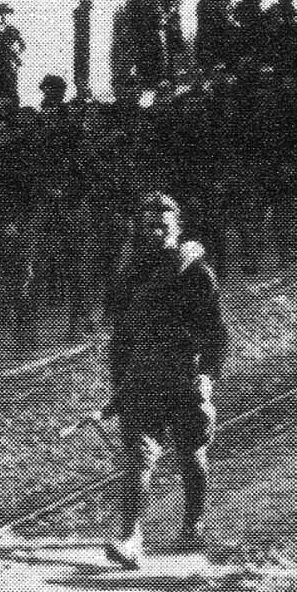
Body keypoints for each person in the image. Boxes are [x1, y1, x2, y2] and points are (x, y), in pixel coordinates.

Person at [101, 191, 226, 568]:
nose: (154, 231)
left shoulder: (195, 270)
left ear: (178, 227)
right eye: (147, 224)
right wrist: (118, 386)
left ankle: (192, 527)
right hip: (141, 379)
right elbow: (119, 332)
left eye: (162, 224)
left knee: (192, 456)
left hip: (184, 376)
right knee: (139, 458)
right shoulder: (129, 271)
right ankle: (130, 538)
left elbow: (216, 334)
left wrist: (207, 377)